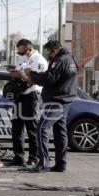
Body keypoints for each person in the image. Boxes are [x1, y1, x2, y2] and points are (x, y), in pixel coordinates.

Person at [24, 40, 78, 172]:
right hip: (65, 99)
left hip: (56, 101)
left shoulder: (59, 60)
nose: (49, 55)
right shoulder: (70, 59)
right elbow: (55, 78)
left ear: (54, 50)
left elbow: (48, 80)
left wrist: (32, 73)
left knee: (42, 129)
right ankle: (61, 164)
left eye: (49, 52)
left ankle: (44, 163)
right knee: (60, 132)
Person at [8, 39, 48, 167]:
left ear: (28, 48)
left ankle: (33, 158)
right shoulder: (22, 60)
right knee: (17, 128)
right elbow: (19, 75)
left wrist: (22, 75)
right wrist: (16, 75)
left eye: (21, 51)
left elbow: (35, 80)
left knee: (32, 129)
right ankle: (18, 158)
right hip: (20, 96)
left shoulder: (39, 61)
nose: (20, 54)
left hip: (31, 96)